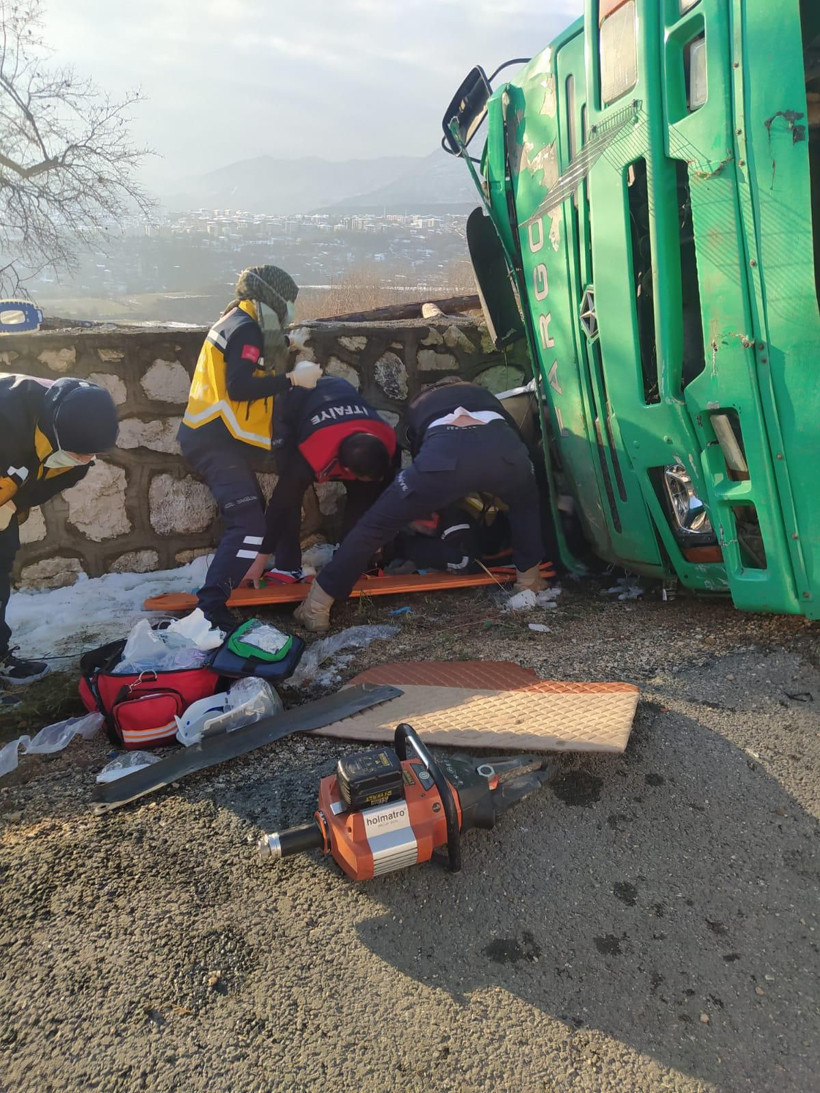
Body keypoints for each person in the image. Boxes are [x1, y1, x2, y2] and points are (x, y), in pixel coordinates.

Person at [293, 378, 547, 632]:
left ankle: (316, 606)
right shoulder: (483, 394)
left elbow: (421, 455)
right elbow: (520, 442)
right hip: (505, 456)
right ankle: (528, 583)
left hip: (442, 458)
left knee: (374, 526)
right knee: (525, 506)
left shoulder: (417, 406)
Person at [178, 264, 322, 630]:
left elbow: (254, 360)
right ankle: (210, 610)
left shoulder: (238, 320)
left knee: (254, 513)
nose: (291, 309)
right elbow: (239, 386)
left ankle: (234, 582)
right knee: (248, 524)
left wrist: (289, 347)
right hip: (215, 441)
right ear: (272, 299)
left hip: (217, 439)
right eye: (288, 302)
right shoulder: (246, 330)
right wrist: (292, 379)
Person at [0, 374, 119, 686]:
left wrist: (15, 502)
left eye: (90, 454)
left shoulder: (78, 433)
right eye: (80, 452)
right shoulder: (7, 411)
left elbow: (49, 481)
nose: (84, 460)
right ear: (53, 429)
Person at [253, 375, 399, 583]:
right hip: (295, 404)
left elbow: (390, 490)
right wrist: (260, 558)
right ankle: (287, 567)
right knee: (291, 492)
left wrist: (378, 539)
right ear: (345, 468)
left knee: (366, 492)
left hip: (341, 390)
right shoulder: (311, 454)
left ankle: (349, 556)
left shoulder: (387, 438)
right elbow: (281, 503)